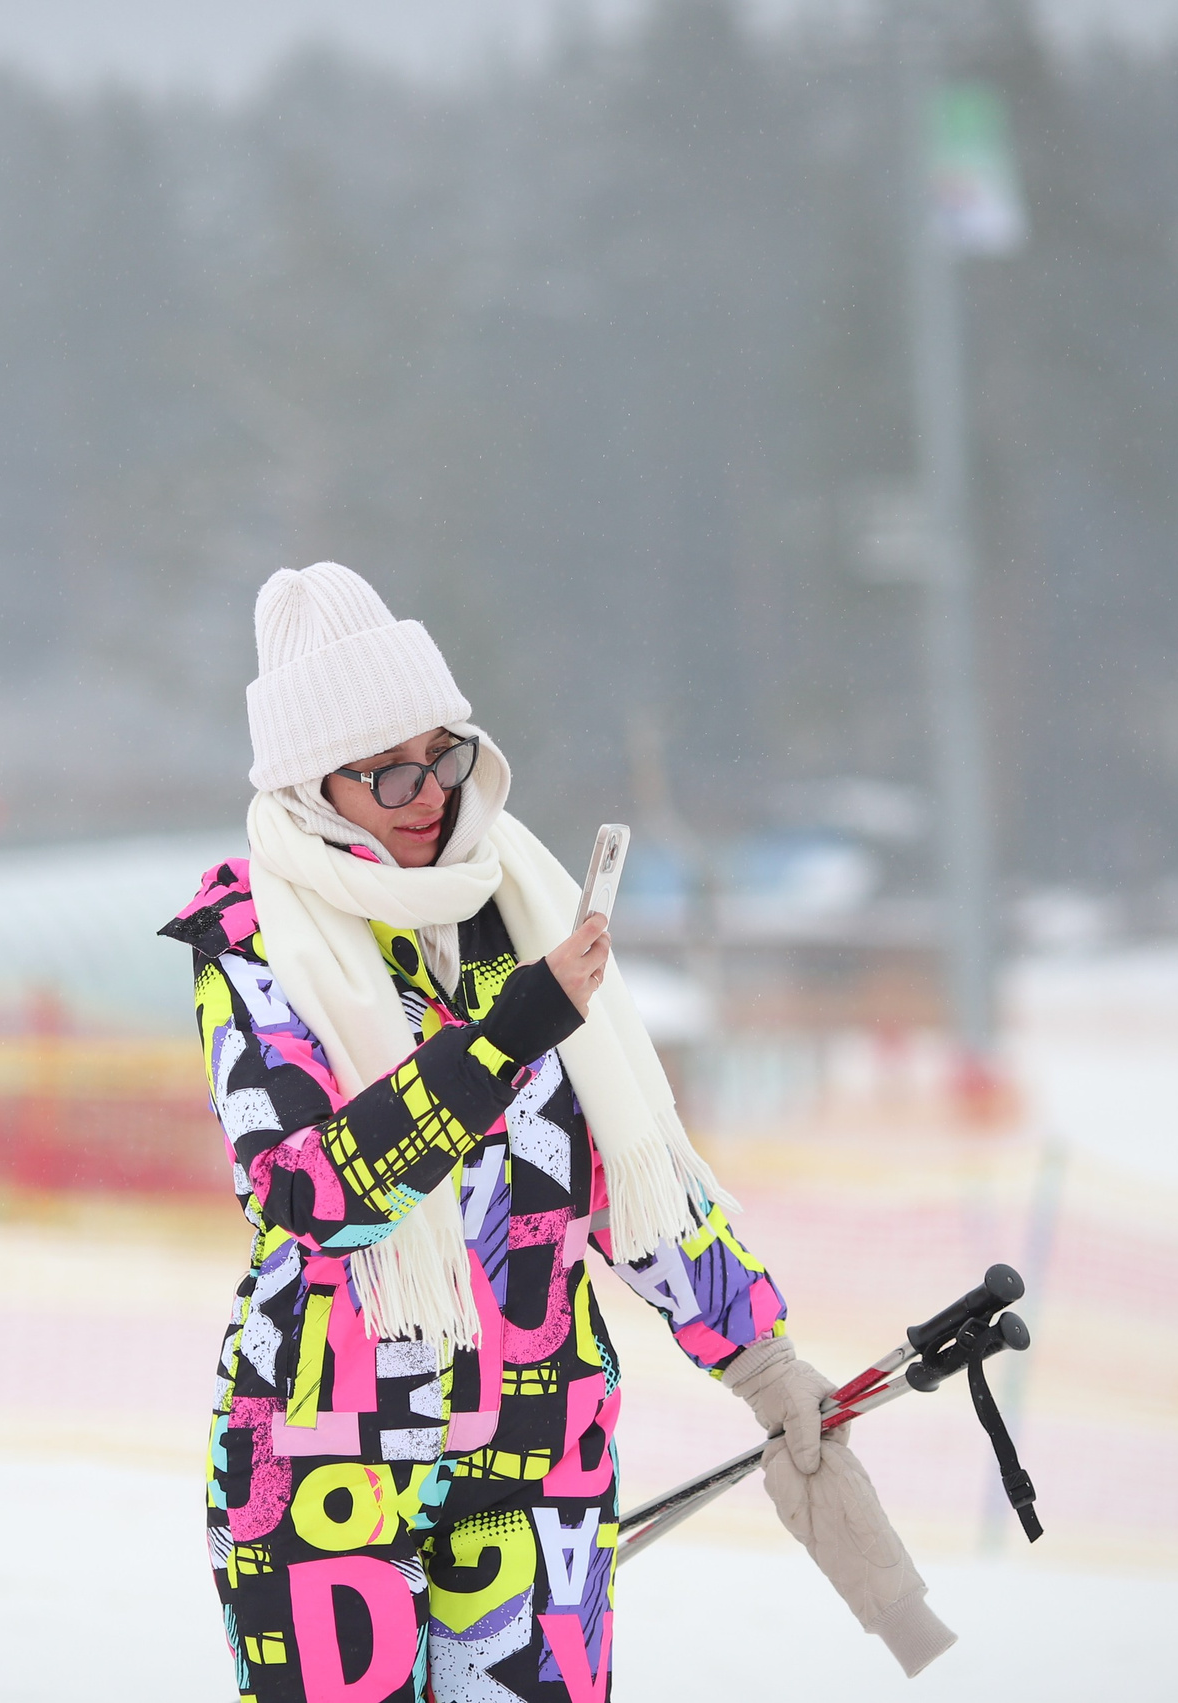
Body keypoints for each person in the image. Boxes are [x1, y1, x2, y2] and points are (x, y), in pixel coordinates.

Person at [161, 562, 952, 1703]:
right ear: (305, 785)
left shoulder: (519, 903)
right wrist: (504, 1034)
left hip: (538, 1456)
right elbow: (305, 1192)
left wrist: (761, 1358)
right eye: (385, 771)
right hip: (324, 1464)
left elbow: (622, 1180)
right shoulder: (250, 938)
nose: (427, 789)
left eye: (442, 751)